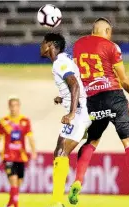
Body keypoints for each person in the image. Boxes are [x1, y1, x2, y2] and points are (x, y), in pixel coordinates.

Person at [68, 17, 129, 207]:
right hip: (114, 97)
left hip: (93, 100)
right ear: (107, 31)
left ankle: (78, 180)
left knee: (92, 141)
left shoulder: (78, 45)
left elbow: (75, 77)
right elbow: (124, 79)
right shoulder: (112, 46)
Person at [40, 33, 91, 207]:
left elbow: (75, 84)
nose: (41, 46)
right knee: (59, 151)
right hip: (79, 109)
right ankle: (57, 200)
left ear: (50, 45)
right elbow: (74, 86)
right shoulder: (63, 61)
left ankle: (57, 201)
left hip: (79, 112)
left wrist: (71, 113)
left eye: (43, 43)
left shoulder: (60, 63)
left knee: (61, 152)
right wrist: (63, 98)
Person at [0, 96, 37, 207]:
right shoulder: (4, 122)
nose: (14, 108)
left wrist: (34, 151)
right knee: (13, 180)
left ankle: (10, 203)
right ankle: (16, 205)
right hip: (8, 156)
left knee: (19, 183)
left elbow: (30, 138)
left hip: (21, 156)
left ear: (19, 107)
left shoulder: (25, 121)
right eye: (11, 106)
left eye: (16, 105)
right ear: (9, 107)